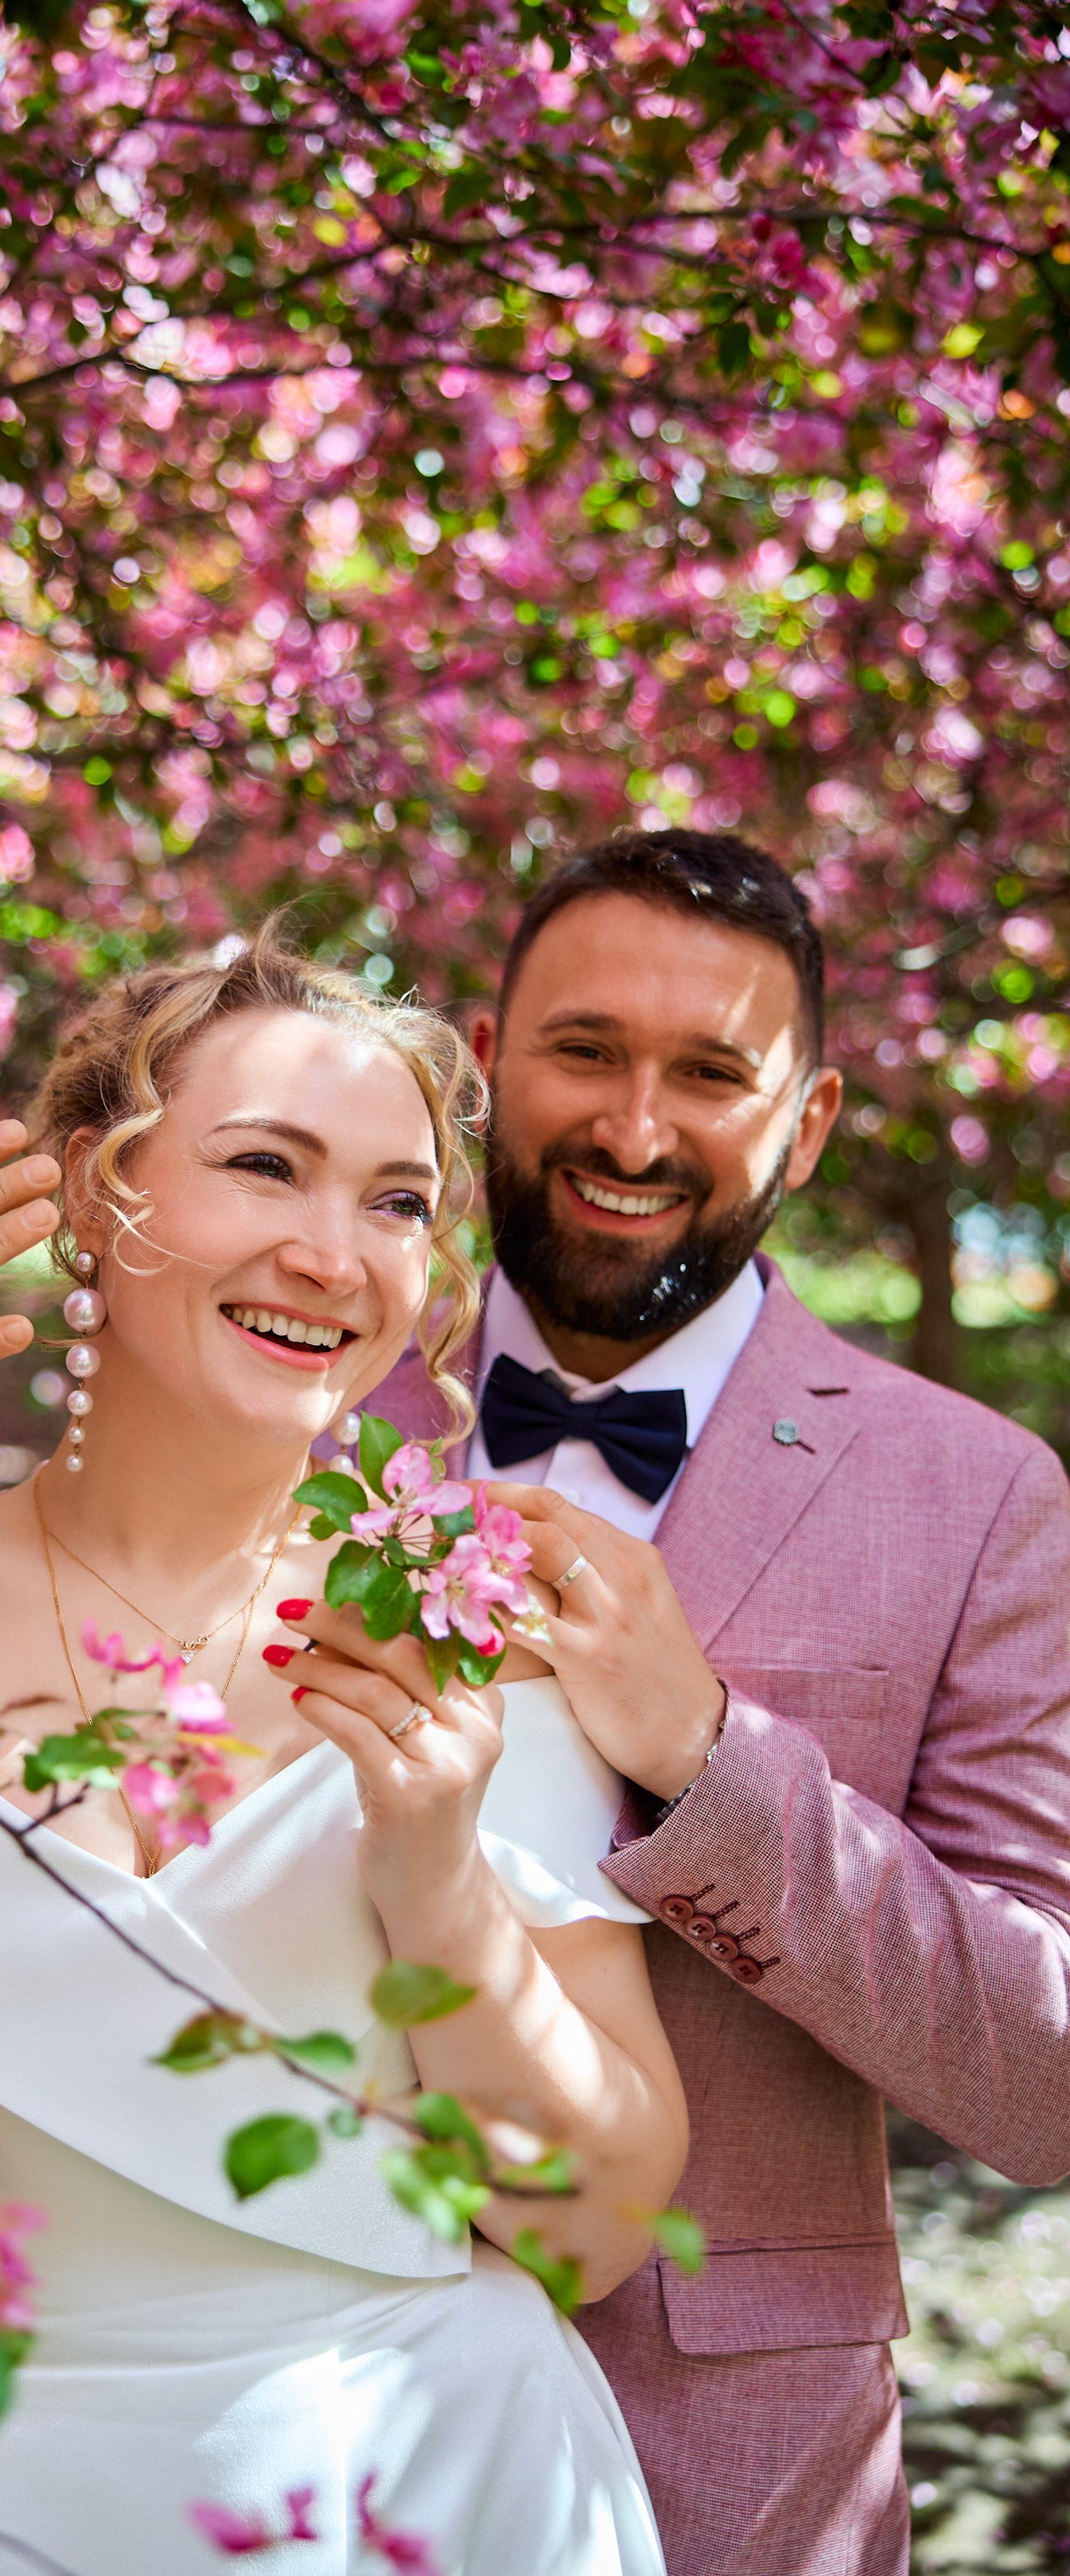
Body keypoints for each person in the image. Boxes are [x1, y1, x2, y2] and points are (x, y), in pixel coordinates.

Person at [0, 928, 684, 2576]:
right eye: (267, 1166)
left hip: (447, 2483)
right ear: (86, 1195)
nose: (337, 1253)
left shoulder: (464, 1616)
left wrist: (438, 1888)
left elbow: (601, 2230)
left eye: (398, 1201)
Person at [368, 830, 1070, 2576]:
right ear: (482, 1069)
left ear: (806, 1124)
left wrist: (708, 1763)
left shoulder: (978, 1496)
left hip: (729, 2462)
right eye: (586, 1051)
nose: (630, 1130)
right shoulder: (275, 1402)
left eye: (710, 1074)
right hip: (275, 2381)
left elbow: (1044, 2086)